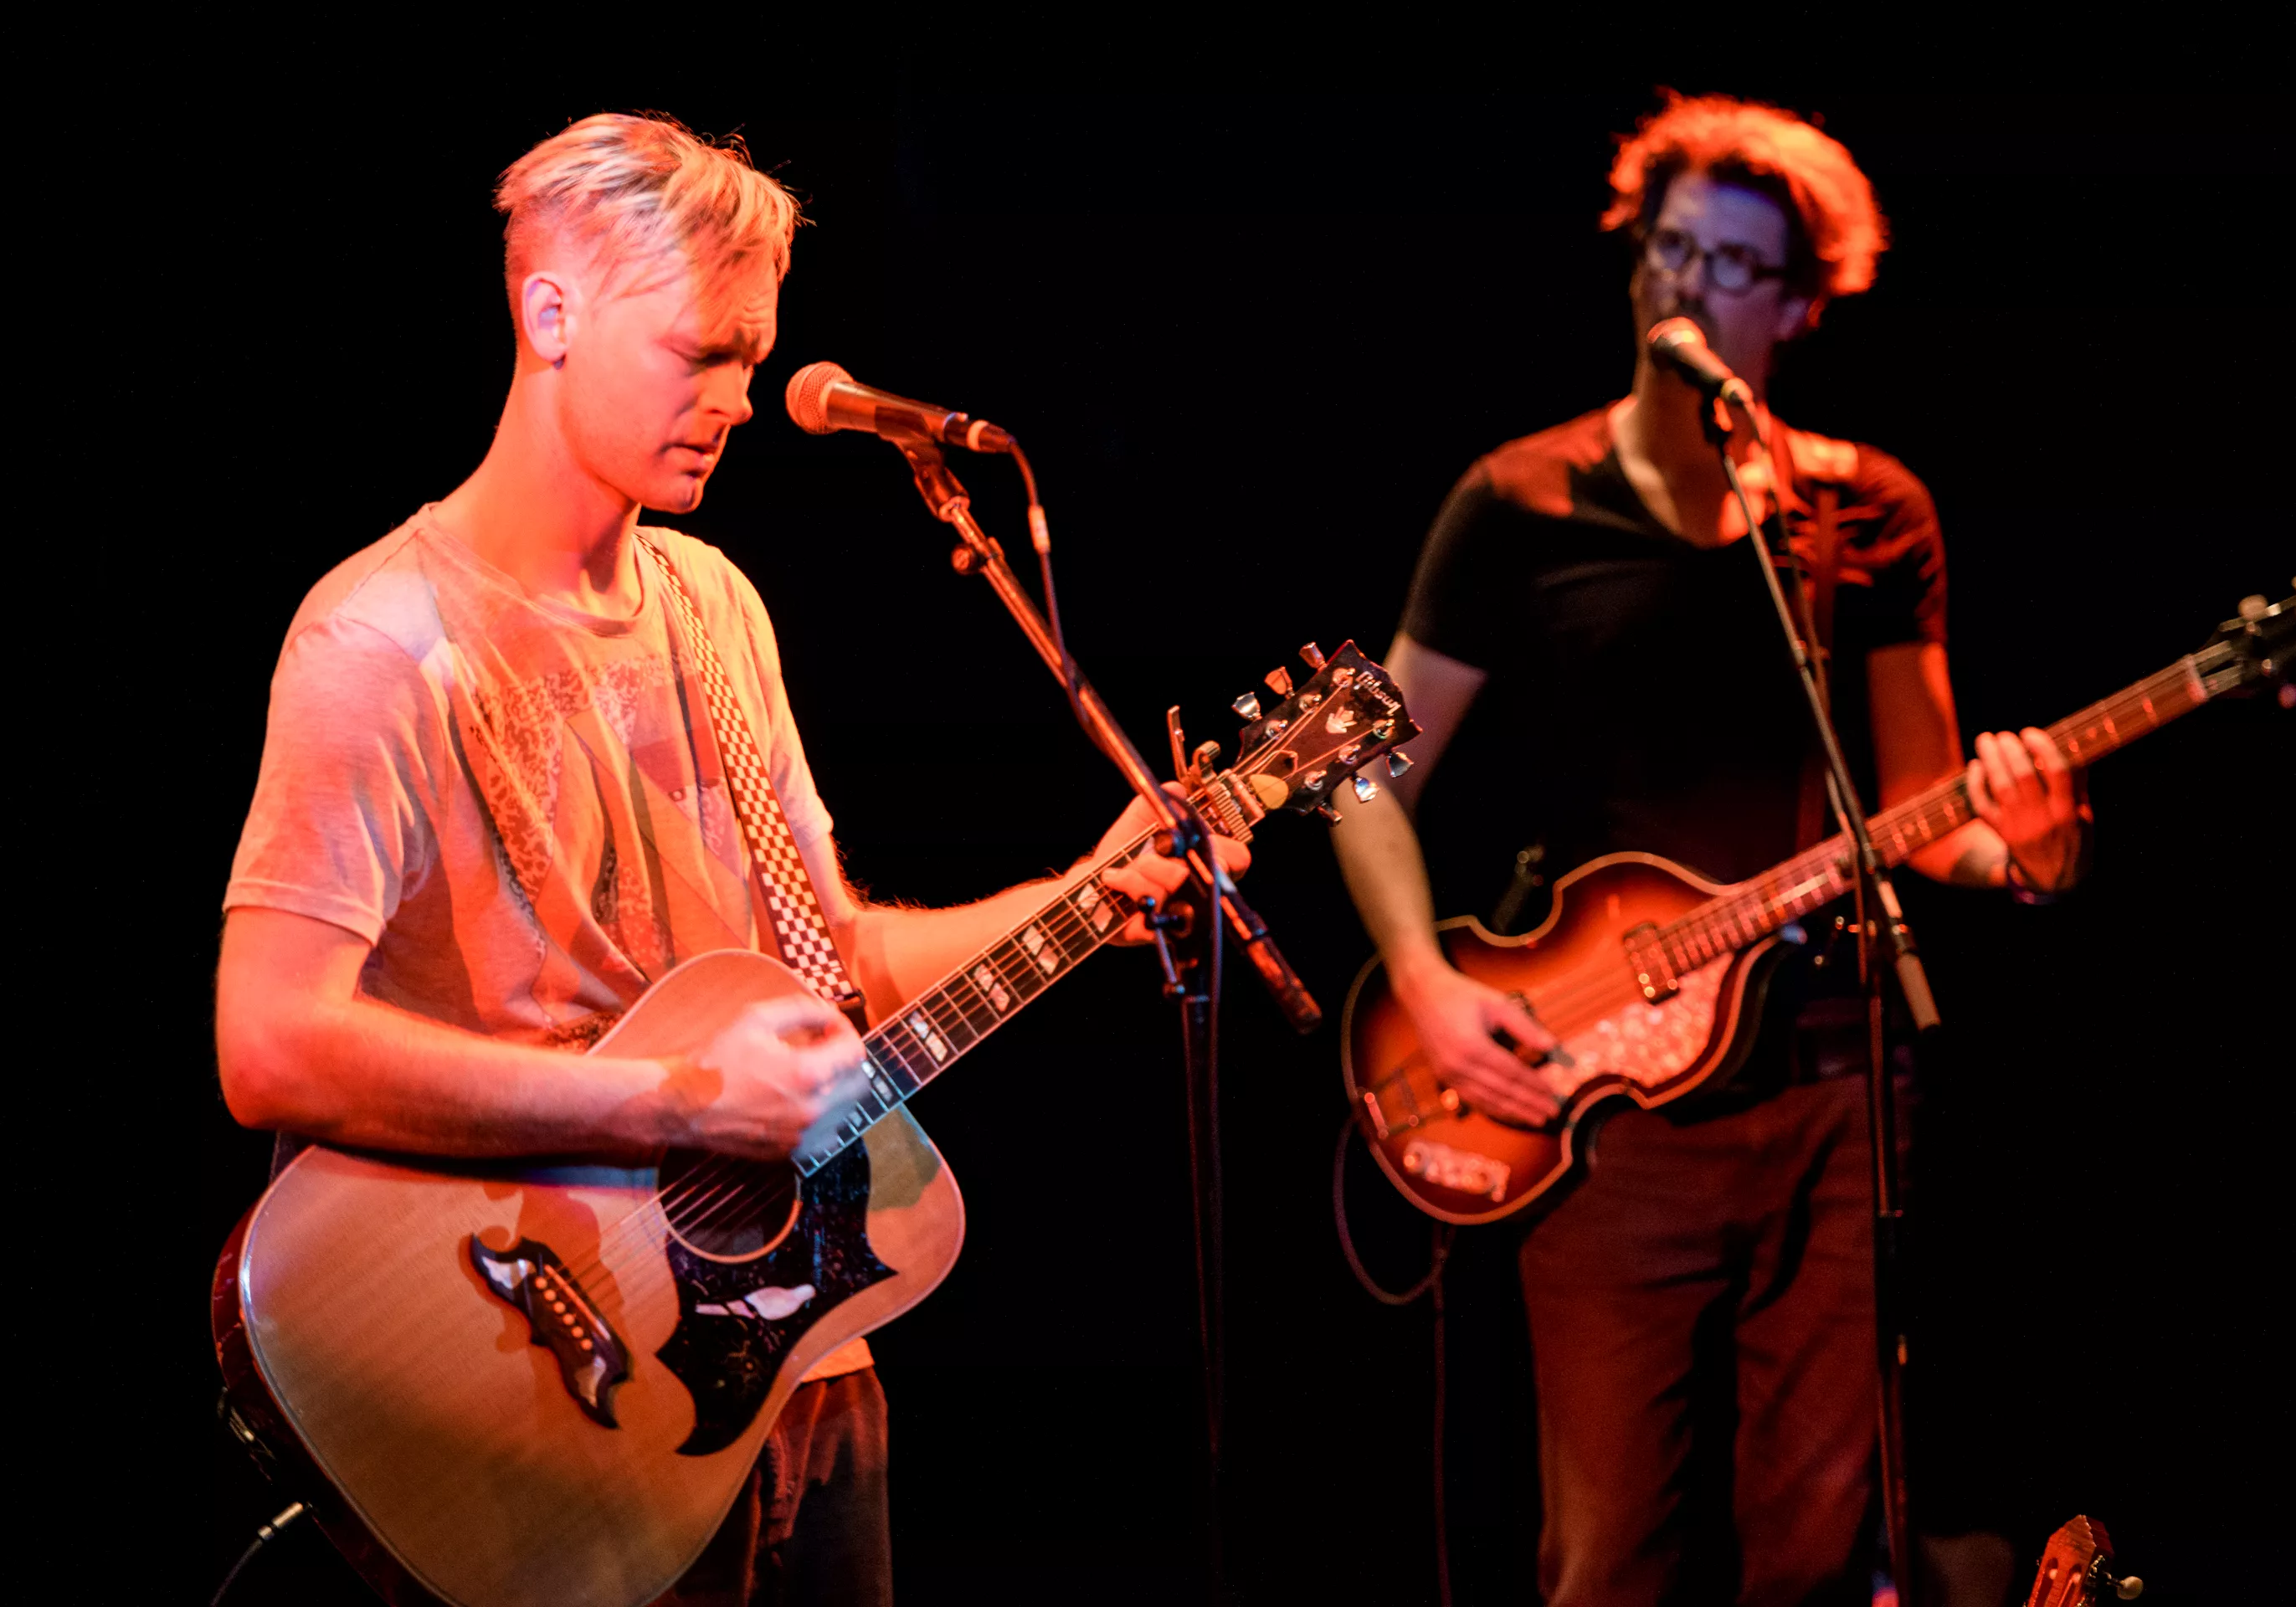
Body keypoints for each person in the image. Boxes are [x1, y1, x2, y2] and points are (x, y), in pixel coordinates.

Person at [214, 112, 1244, 1606]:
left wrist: (1083, 893)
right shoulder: (381, 639)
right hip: (543, 1371)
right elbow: (268, 1046)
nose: (741, 401)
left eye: (751, 359)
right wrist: (678, 1103)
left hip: (800, 1360)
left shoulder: (716, 606)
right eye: (701, 354)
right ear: (550, 315)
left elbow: (835, 960)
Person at [1329, 95, 2088, 1605]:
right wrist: (1424, 976)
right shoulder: (1519, 500)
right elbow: (1364, 776)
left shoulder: (1868, 510)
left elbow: (1923, 807)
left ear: (1803, 304)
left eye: (1733, 265)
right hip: (1606, 1105)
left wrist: (2031, 854)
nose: (1686, 285)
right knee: (1607, 1555)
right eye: (1670, 248)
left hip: (1832, 1087)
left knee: (1814, 1555)